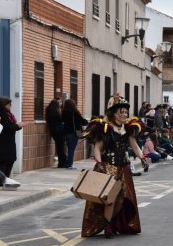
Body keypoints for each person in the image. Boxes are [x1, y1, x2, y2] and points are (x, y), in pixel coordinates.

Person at [81, 96, 149, 238]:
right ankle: (108, 226)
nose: (124, 115)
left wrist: (142, 157)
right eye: (121, 112)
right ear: (114, 113)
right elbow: (97, 148)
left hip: (124, 168)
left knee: (124, 198)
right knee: (109, 199)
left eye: (126, 112)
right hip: (109, 167)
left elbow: (135, 146)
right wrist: (99, 163)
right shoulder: (105, 129)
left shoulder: (128, 129)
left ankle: (113, 223)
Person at [0, 97, 24, 178]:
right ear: (4, 105)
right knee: (5, 160)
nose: (11, 106)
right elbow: (7, 127)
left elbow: (11, 126)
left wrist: (18, 126)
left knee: (11, 159)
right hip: (3, 141)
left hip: (9, 140)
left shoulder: (8, 114)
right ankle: (1, 179)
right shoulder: (2, 114)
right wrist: (18, 126)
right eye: (9, 104)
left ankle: (6, 178)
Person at [62, 99, 88, 169]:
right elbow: (82, 121)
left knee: (69, 148)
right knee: (71, 149)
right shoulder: (75, 112)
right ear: (73, 105)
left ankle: (68, 163)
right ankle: (70, 164)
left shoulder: (63, 112)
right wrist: (87, 121)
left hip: (66, 133)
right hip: (74, 133)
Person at [45, 99, 66, 168]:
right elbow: (61, 119)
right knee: (61, 147)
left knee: (58, 146)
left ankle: (61, 163)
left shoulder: (48, 111)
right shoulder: (56, 112)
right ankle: (62, 162)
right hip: (59, 130)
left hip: (53, 131)